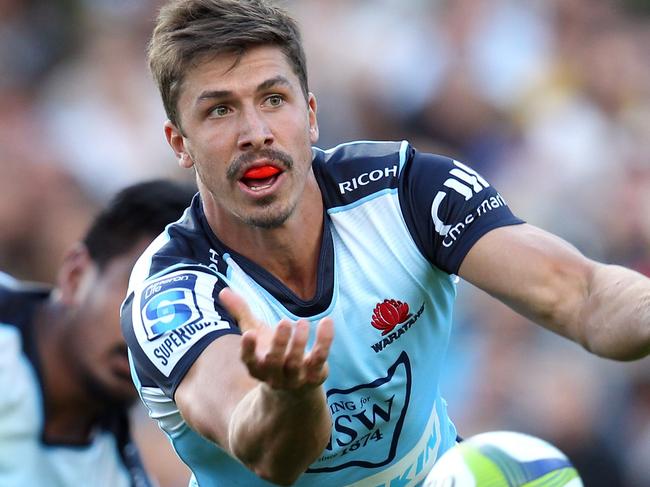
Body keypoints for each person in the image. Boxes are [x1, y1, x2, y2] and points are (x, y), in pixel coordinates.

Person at [120, 1, 650, 486]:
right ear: (179, 143)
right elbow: (269, 452)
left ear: (310, 115)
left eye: (273, 99)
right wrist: (294, 396)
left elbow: (583, 294)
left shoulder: (407, 194)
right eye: (219, 110)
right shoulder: (170, 292)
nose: (255, 131)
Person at [0, 179, 196, 487]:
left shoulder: (119, 478)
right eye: (139, 293)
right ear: (76, 276)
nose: (151, 333)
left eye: (182, 316)